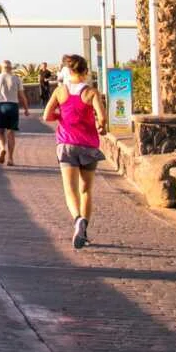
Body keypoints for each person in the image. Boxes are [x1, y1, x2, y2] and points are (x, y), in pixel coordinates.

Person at [42, 52, 107, 248]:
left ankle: (77, 219)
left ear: (69, 71)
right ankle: (84, 228)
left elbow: (47, 115)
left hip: (66, 145)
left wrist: (62, 117)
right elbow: (102, 118)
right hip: (88, 145)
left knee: (70, 190)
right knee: (86, 189)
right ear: (86, 71)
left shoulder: (60, 91)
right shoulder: (91, 92)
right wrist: (101, 126)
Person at [0, 59, 28, 166]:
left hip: (1, 106)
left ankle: (2, 148)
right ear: (10, 68)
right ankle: (10, 158)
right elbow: (22, 95)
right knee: (11, 132)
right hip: (13, 106)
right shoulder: (16, 79)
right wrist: (26, 109)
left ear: (1, 67)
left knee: (0, 131)